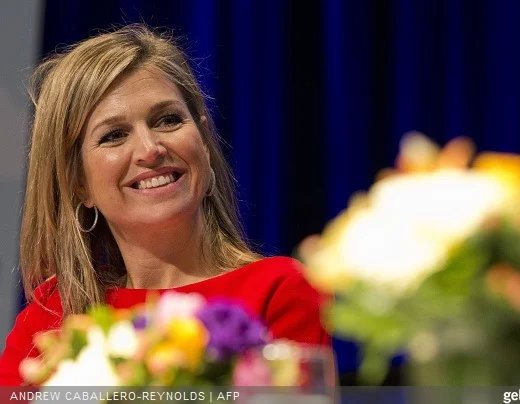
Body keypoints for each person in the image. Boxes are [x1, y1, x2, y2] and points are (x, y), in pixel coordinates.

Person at [0, 24, 330, 386]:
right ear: (78, 183)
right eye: (114, 135)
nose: (150, 149)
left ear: (203, 140)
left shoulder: (278, 290)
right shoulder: (50, 318)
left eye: (168, 120)